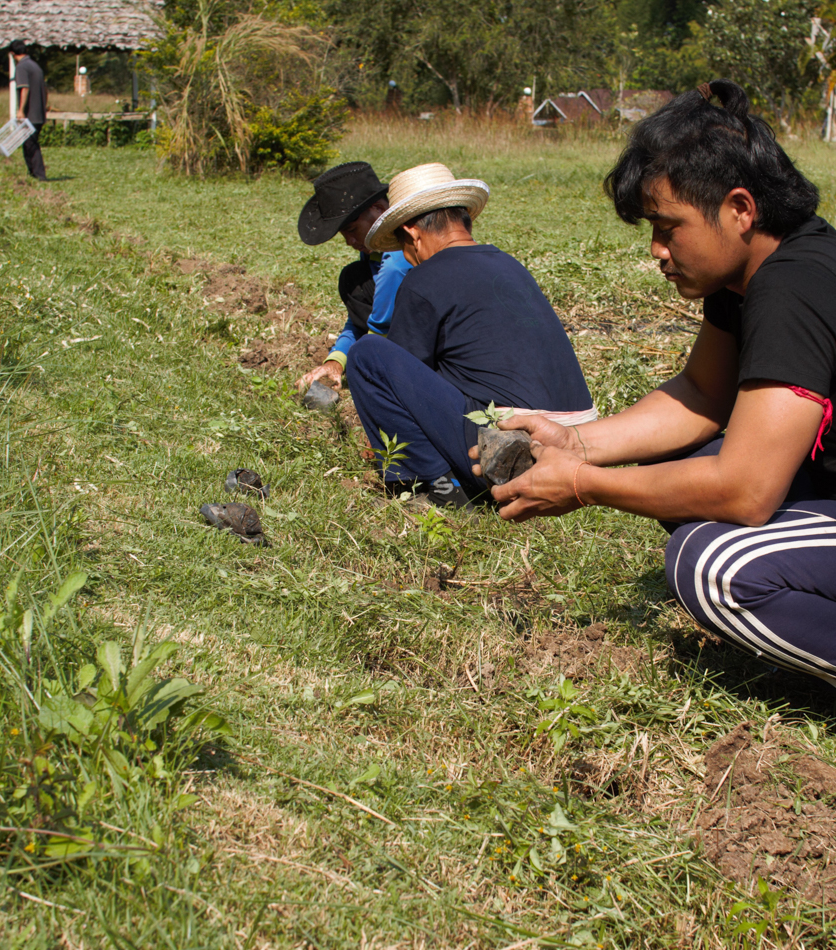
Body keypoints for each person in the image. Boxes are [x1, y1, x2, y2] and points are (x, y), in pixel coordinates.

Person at [475, 79, 836, 686]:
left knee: (711, 564)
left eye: (669, 228)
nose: (657, 251)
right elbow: (701, 394)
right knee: (692, 463)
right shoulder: (747, 275)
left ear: (740, 209)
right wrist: (575, 444)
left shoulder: (794, 288)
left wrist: (584, 486)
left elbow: (746, 490)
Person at [349, 162, 595, 509]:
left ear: (413, 234)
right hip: (581, 439)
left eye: (403, 245)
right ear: (465, 219)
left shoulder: (422, 280)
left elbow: (405, 380)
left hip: (509, 444)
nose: (407, 256)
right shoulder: (509, 263)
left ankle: (437, 486)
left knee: (368, 355)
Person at [296, 162, 412, 391]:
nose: (349, 241)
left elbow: (377, 328)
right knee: (355, 279)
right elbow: (362, 321)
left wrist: (364, 360)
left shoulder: (396, 263)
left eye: (351, 229)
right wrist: (336, 361)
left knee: (352, 280)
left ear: (379, 209)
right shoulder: (372, 256)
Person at [10, 40, 48, 181]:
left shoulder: (22, 67)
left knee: (30, 144)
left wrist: (21, 110)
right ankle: (34, 174)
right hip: (39, 112)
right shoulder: (35, 66)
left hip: (30, 113)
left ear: (13, 54)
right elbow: (45, 89)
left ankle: (39, 175)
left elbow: (24, 88)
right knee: (30, 142)